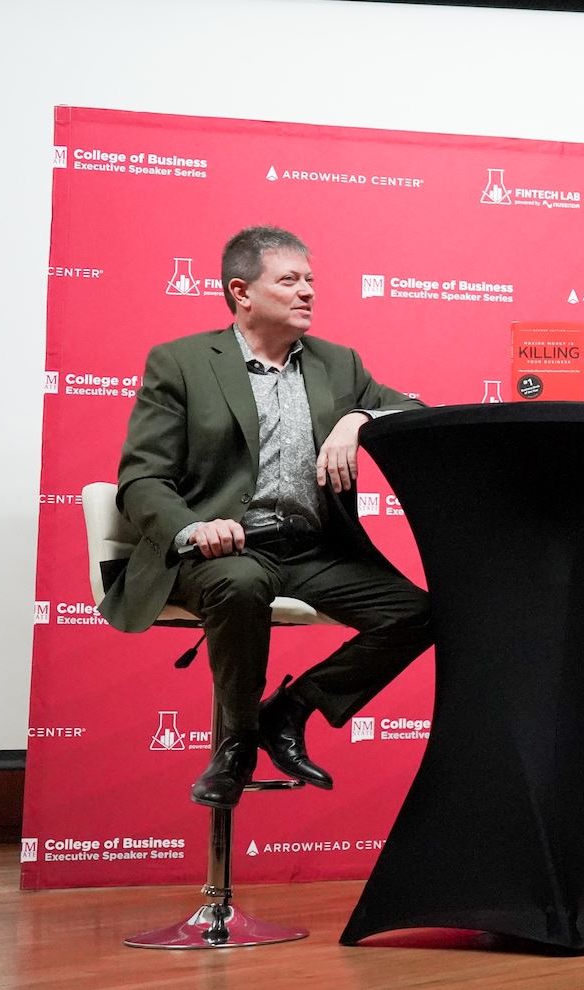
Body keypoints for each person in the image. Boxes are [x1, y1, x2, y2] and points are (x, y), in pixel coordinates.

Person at [102, 226, 431, 809]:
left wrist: (358, 419)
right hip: (220, 552)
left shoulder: (338, 363)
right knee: (241, 582)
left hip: (311, 549)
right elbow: (142, 479)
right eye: (289, 280)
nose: (307, 291)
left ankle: (290, 711)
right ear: (242, 292)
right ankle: (237, 744)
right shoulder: (181, 363)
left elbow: (412, 410)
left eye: (310, 280)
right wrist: (194, 528)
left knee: (418, 612)